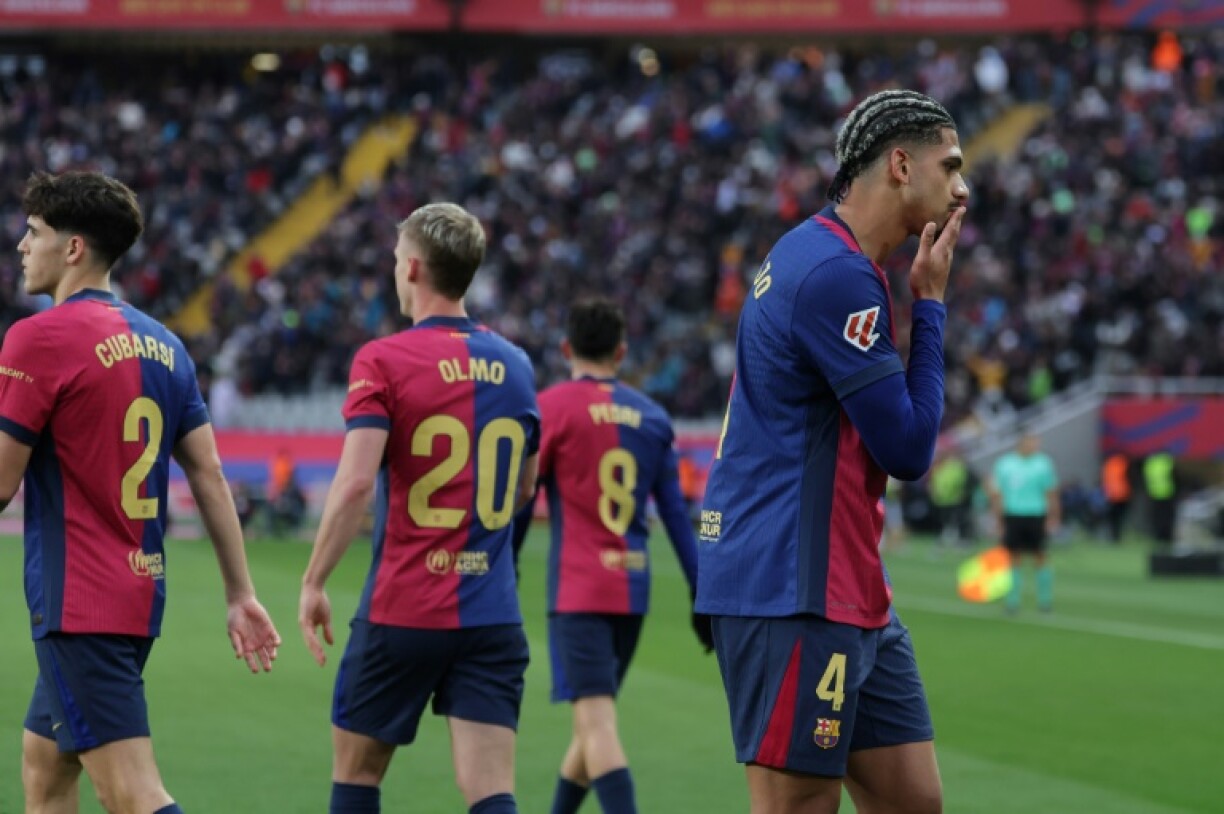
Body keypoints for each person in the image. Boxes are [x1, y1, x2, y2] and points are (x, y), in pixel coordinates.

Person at [696, 89, 968, 813]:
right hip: (792, 585)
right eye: (952, 166)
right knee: (800, 804)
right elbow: (909, 448)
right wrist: (932, 303)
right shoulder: (836, 276)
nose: (964, 186)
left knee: (913, 801)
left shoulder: (819, 254)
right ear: (902, 166)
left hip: (848, 584)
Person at [0, 171, 281, 814]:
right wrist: (241, 593)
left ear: (73, 248)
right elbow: (208, 473)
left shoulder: (37, 338)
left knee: (133, 793)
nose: (21, 245)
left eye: (34, 232)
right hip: (136, 594)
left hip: (77, 605)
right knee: (45, 768)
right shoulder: (166, 345)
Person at [298, 202, 540, 814]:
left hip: (404, 609)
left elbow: (355, 485)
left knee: (357, 775)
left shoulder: (383, 359)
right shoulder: (516, 367)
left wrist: (314, 581)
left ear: (410, 268)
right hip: (492, 616)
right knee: (491, 791)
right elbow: (523, 490)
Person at [517, 298, 712, 814]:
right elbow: (675, 517)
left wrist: (505, 563)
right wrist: (701, 593)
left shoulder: (553, 407)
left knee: (597, 725)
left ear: (565, 348)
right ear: (622, 351)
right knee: (591, 725)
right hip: (632, 591)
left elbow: (522, 498)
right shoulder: (652, 418)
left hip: (578, 591)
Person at [987, 433, 1060, 613]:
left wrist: (1054, 517)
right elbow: (997, 494)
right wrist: (998, 520)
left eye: (1036, 442)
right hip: (1013, 514)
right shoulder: (1005, 464)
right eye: (1031, 441)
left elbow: (1051, 492)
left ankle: (1045, 601)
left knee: (1041, 556)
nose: (1034, 445)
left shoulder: (1043, 463)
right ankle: (1013, 602)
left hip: (1036, 514)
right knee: (1013, 558)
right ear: (1020, 443)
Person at [1101, 452, 1131, 543]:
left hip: (1111, 495)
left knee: (1113, 518)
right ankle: (1116, 535)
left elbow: (1105, 480)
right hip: (1123, 494)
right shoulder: (1124, 464)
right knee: (1119, 518)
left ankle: (1114, 535)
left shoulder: (1108, 464)